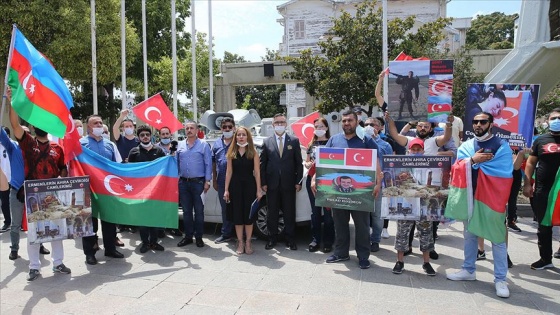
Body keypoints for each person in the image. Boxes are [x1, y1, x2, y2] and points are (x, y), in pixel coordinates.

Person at [446, 112, 512, 298]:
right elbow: (457, 166)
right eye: (475, 122)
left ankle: (500, 279)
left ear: (491, 124)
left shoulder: (501, 145)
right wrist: (473, 160)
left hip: (491, 198)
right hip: (470, 196)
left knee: (497, 239)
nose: (478, 125)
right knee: (469, 235)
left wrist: (479, 164)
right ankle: (469, 269)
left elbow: (506, 172)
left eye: (483, 122)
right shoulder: (467, 145)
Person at [8, 94, 71, 281]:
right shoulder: (28, 143)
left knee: (57, 232)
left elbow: (62, 169)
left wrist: (63, 181)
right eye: (38, 124)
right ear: (34, 127)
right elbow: (15, 125)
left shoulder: (57, 148)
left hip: (53, 197)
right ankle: (34, 267)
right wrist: (13, 104)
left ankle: (58, 263)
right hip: (33, 197)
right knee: (34, 233)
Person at [311, 109, 382, 269]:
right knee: (340, 224)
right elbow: (322, 163)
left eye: (350, 120)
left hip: (361, 192)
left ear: (356, 122)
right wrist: (315, 178)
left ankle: (363, 256)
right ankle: (341, 253)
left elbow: (376, 160)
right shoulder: (334, 140)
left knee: (362, 226)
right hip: (338, 192)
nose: (346, 123)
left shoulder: (366, 140)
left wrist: (378, 182)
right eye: (344, 121)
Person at [385, 112, 452, 259]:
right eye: (420, 125)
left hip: (430, 185)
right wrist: (389, 120)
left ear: (430, 128)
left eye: (426, 126)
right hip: (411, 185)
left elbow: (447, 137)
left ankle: (430, 248)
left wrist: (449, 124)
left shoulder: (434, 141)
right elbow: (395, 134)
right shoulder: (409, 139)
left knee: (430, 219)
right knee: (408, 217)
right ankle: (407, 247)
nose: (423, 128)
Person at [79, 115, 125, 265]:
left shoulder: (110, 144)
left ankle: (110, 248)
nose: (99, 125)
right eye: (95, 123)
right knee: (89, 223)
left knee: (109, 220)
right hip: (88, 189)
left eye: (100, 122)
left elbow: (118, 165)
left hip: (107, 189)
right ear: (89, 127)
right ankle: (90, 253)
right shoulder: (80, 144)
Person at [392, 138, 436, 276]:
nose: (416, 152)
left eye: (419, 149)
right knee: (402, 232)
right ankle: (400, 261)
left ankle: (426, 262)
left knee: (426, 233)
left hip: (424, 203)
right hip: (406, 203)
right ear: (408, 150)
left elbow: (433, 183)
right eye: (413, 149)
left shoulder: (429, 165)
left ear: (423, 151)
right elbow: (395, 182)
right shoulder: (402, 164)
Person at [523, 107, 560, 270]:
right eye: (553, 118)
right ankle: (545, 259)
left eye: (559, 118)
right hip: (543, 190)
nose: (556, 121)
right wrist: (527, 183)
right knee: (543, 226)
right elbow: (530, 163)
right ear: (548, 121)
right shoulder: (541, 140)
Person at [260, 113, 303, 250]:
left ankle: (290, 239)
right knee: (271, 213)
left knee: (289, 212)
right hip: (271, 185)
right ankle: (272, 238)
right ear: (273, 125)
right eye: (277, 122)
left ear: (286, 124)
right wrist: (263, 182)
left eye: (282, 122)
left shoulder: (294, 141)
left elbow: (299, 163)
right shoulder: (267, 142)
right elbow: (263, 164)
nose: (279, 125)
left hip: (289, 184)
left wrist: (298, 181)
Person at [223, 126, 263, 255]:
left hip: (250, 187)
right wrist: (226, 190)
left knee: (249, 216)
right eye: (239, 135)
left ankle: (248, 242)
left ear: (248, 137)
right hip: (235, 187)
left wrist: (258, 190)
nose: (241, 137)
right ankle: (240, 241)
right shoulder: (231, 152)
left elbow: (257, 173)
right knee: (238, 216)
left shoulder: (253, 152)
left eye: (243, 135)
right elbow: (229, 172)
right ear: (236, 137)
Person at [128, 125, 166, 253]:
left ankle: (154, 242)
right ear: (138, 137)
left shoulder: (159, 151)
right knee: (143, 218)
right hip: (141, 191)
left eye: (147, 135)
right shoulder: (134, 152)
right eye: (142, 135)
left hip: (155, 189)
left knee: (154, 217)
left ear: (151, 136)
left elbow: (164, 169)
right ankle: (145, 242)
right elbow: (130, 172)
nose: (145, 137)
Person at [176, 121, 212, 248]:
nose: (189, 130)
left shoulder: (203, 145)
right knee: (186, 212)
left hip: (199, 183)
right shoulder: (180, 145)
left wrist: (207, 181)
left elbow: (208, 164)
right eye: (187, 128)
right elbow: (176, 163)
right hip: (183, 183)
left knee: (199, 212)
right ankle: (188, 237)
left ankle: (199, 237)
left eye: (192, 128)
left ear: (197, 130)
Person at [304, 117, 334, 253]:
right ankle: (315, 240)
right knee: (315, 213)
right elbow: (307, 161)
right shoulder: (311, 144)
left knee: (328, 214)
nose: (319, 129)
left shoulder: (332, 143)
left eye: (321, 126)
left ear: (327, 128)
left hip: (328, 182)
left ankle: (328, 241)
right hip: (312, 181)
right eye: (316, 127)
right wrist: (307, 164)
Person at [364, 117, 393, 252]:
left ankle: (375, 240)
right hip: (361, 184)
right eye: (366, 124)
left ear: (380, 127)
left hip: (378, 185)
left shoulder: (385, 145)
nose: (369, 126)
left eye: (372, 124)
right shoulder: (359, 141)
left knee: (376, 216)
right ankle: (363, 239)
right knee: (363, 215)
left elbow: (389, 166)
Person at [1, 126, 24, 260]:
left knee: (36, 222)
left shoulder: (34, 150)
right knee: (15, 223)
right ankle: (14, 249)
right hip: (16, 190)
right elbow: (2, 135)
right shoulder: (13, 147)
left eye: (27, 133)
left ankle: (39, 246)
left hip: (33, 190)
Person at [212, 118, 236, 244]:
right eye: (224, 127)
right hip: (221, 182)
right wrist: (214, 180)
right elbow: (213, 163)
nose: (227, 129)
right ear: (221, 129)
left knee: (237, 208)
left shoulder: (238, 142)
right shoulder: (216, 144)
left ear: (234, 128)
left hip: (237, 182)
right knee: (225, 209)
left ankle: (239, 233)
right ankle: (226, 234)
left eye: (229, 126)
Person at [1, 127, 12, 232]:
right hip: (3, 179)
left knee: (16, 202)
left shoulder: (14, 145)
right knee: (4, 203)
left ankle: (20, 223)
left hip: (14, 179)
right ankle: (7, 222)